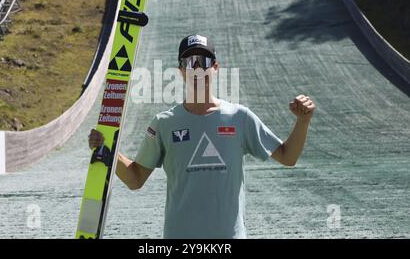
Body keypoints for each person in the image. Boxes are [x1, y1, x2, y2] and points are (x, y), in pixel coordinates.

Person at [88, 34, 316, 239]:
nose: (197, 68)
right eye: (189, 62)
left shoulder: (239, 117)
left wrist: (303, 121)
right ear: (180, 70)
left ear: (215, 67)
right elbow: (135, 179)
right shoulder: (164, 123)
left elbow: (288, 157)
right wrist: (108, 151)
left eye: (204, 62)